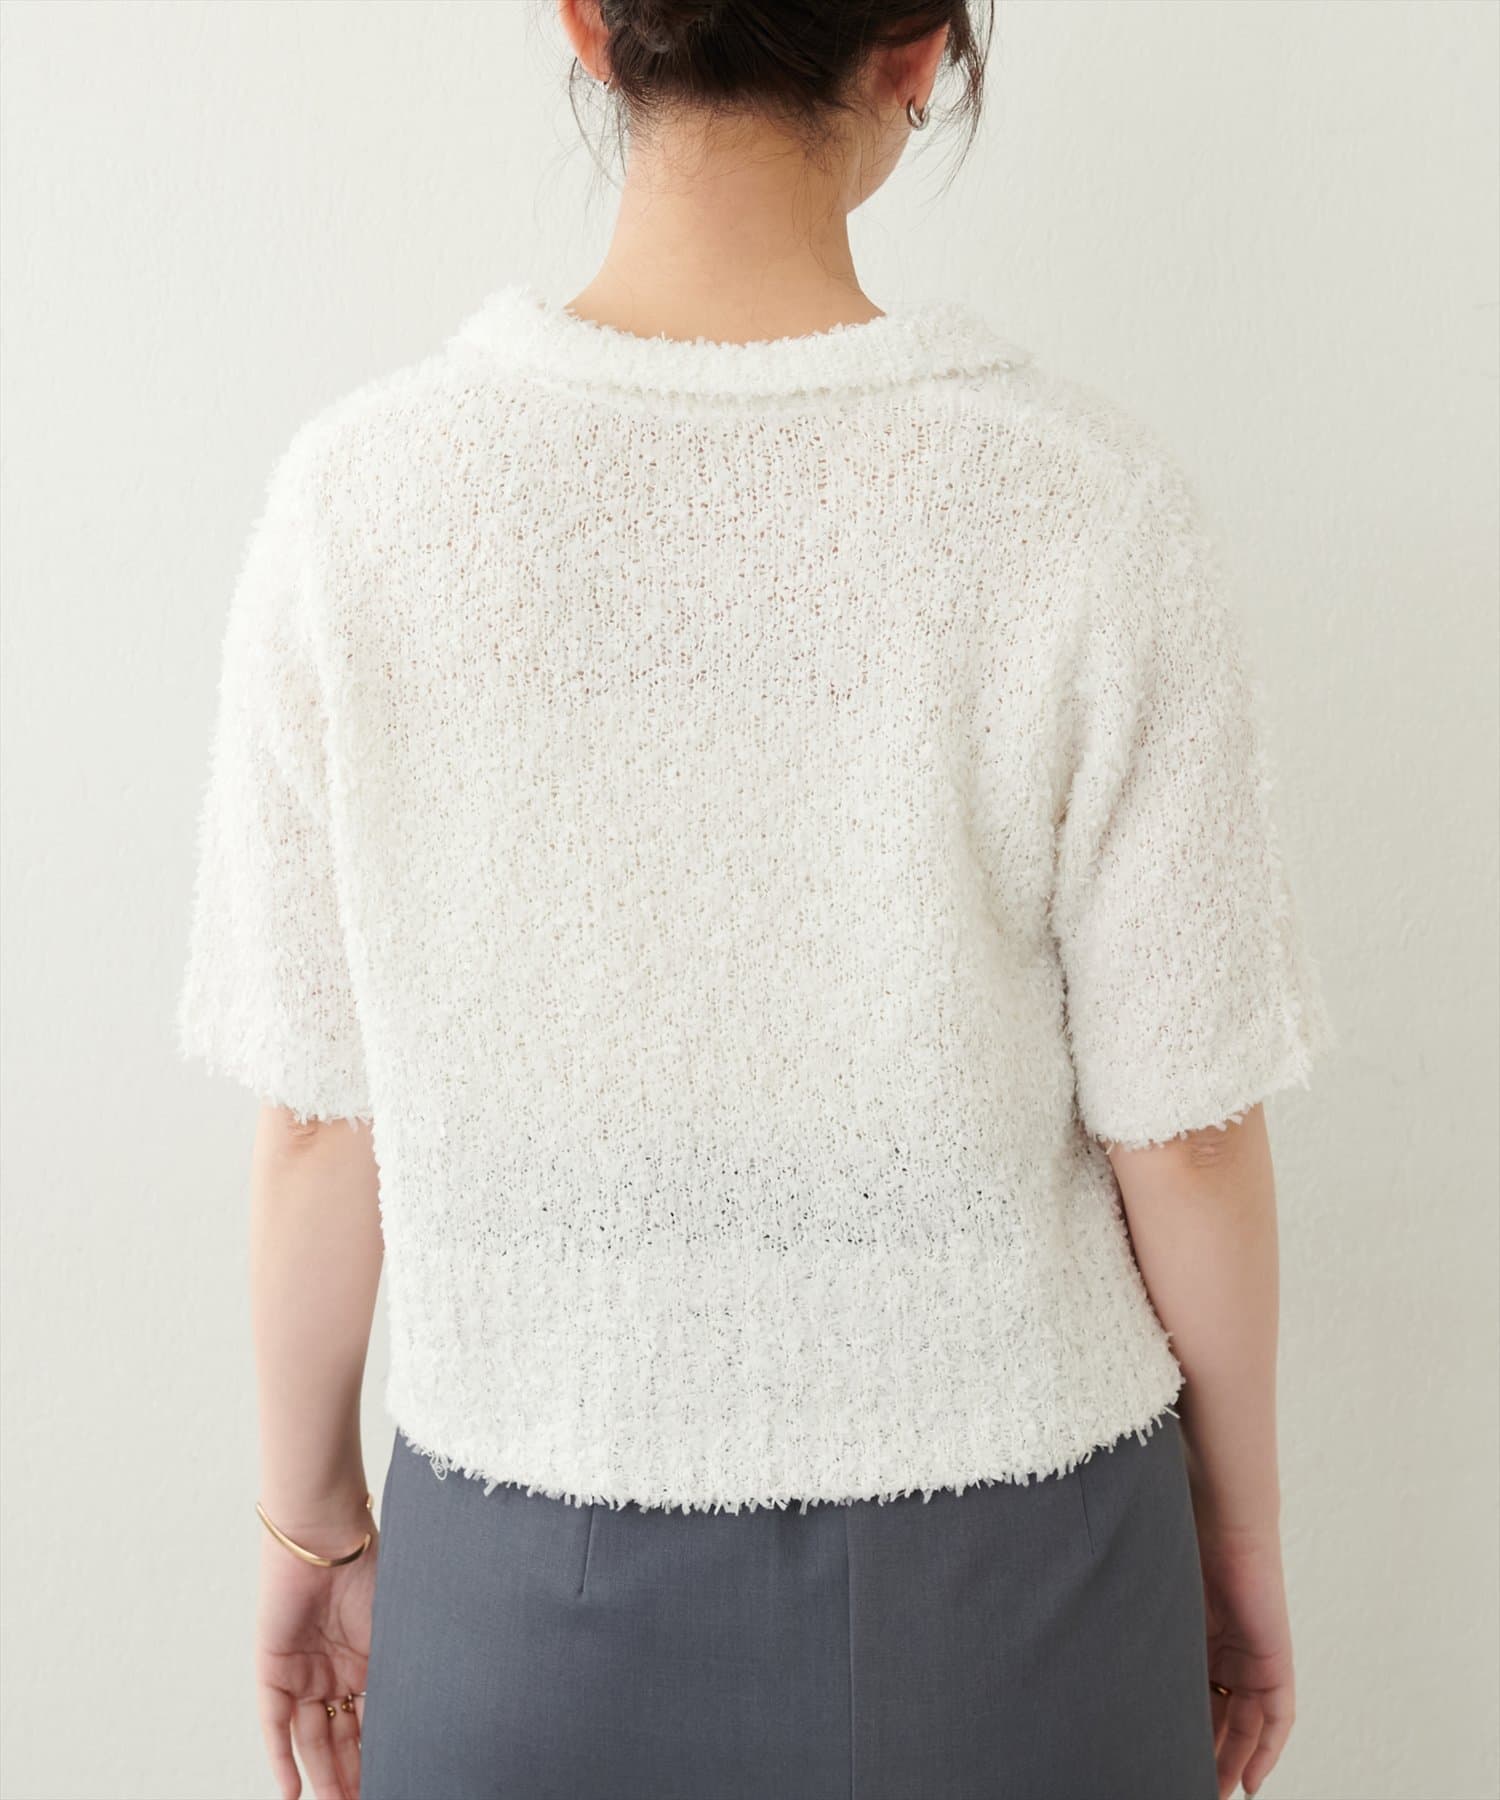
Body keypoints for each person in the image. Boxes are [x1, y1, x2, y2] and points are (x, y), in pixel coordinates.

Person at [175, 3, 1336, 1797]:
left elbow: (323, 1123)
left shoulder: (360, 506)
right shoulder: (1083, 509)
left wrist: (311, 1524)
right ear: (919, 51)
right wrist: (1240, 1547)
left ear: (587, 22)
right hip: (1019, 1597)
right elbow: (1182, 1138)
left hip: (521, 1597)